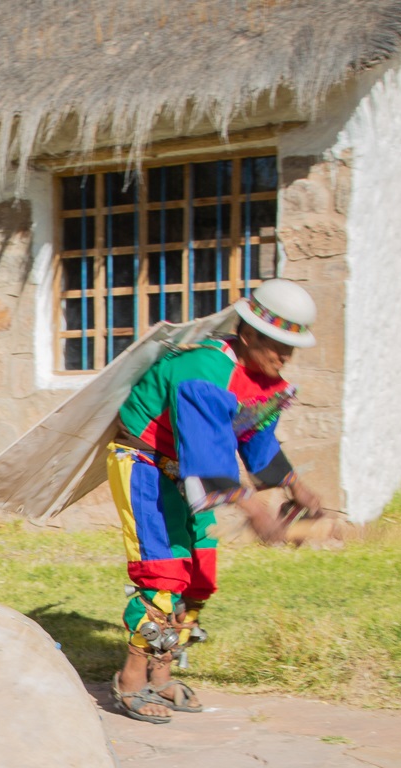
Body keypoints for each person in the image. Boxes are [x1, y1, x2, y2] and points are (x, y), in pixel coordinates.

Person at [107, 278, 323, 723]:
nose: (283, 357)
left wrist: (297, 488)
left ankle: (161, 677)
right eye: (275, 344)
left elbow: (254, 438)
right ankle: (130, 681)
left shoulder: (261, 380)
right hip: (145, 462)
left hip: (181, 468)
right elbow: (207, 461)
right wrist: (256, 511)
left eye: (290, 348)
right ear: (248, 334)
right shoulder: (204, 372)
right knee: (163, 573)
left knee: (199, 573)